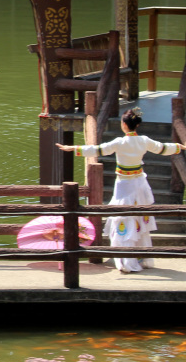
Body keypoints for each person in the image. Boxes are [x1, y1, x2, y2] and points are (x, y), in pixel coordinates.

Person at [57, 107, 186, 273]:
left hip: (124, 184)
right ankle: (140, 257)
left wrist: (74, 148)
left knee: (122, 217)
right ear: (136, 125)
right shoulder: (144, 140)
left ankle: (126, 261)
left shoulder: (120, 142)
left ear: (125, 125)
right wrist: (179, 146)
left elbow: (98, 149)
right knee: (139, 219)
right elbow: (162, 148)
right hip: (139, 182)